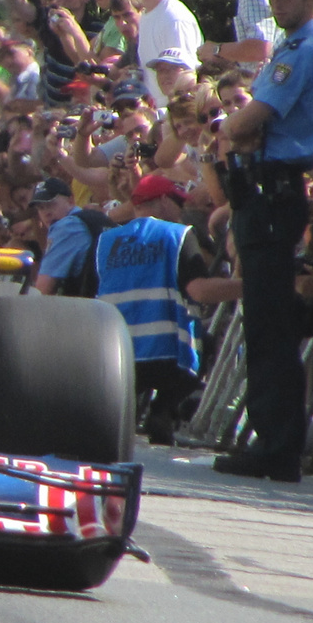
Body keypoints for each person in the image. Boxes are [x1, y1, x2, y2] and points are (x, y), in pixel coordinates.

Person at [214, 0, 313, 482]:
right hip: (264, 190)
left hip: (274, 189)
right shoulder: (291, 47)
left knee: (269, 320)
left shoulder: (305, 48)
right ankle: (272, 438)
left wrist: (235, 131)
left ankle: (278, 446)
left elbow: (246, 121)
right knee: (263, 317)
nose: (278, 3)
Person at [95, 174, 242, 444]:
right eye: (177, 202)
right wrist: (254, 285)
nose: (181, 209)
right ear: (163, 200)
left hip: (114, 352)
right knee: (206, 344)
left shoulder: (106, 241)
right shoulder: (177, 235)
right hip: (167, 354)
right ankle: (162, 410)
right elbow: (198, 290)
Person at [130, 0, 203, 107]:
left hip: (176, 111)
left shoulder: (174, 18)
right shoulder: (146, 14)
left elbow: (186, 76)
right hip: (157, 111)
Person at [29, 177, 114, 296]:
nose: (46, 213)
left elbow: (43, 289)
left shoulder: (66, 227)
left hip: (89, 307)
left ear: (71, 200)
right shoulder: (98, 219)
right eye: (40, 208)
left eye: (51, 204)